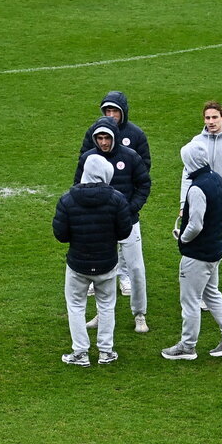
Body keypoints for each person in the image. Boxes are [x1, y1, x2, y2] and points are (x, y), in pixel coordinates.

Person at [162, 141, 222, 360]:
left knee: (189, 301)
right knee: (212, 294)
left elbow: (196, 224)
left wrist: (183, 239)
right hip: (214, 250)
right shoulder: (216, 178)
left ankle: (188, 346)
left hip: (197, 255)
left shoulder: (196, 188)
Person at [53, 154, 132, 366]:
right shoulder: (117, 199)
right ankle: (106, 351)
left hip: (78, 263)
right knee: (106, 306)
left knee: (76, 306)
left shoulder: (68, 199)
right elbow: (125, 232)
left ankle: (80, 353)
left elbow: (60, 234)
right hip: (107, 263)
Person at [75, 117, 151, 334]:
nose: (103, 142)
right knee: (104, 269)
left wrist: (131, 209)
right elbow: (77, 186)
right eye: (99, 138)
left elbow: (143, 184)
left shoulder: (130, 156)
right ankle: (102, 313)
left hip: (128, 222)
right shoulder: (88, 158)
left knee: (136, 268)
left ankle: (139, 314)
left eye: (107, 137)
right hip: (102, 225)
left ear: (115, 137)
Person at [179, 101, 222, 318]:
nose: (211, 122)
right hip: (206, 209)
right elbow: (186, 175)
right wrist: (184, 205)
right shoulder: (196, 143)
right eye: (207, 118)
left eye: (214, 117)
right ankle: (210, 296)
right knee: (211, 253)